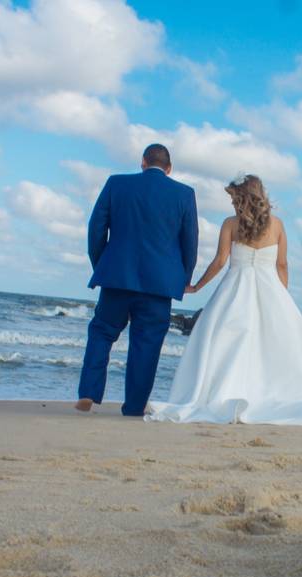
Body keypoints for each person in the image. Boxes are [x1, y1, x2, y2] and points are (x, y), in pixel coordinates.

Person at [146, 174, 302, 425]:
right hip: (271, 289)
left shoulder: (230, 224)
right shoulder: (278, 225)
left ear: (242, 197)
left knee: (224, 341)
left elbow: (219, 261)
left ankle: (223, 392)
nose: (231, 203)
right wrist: (283, 298)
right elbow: (282, 265)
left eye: (234, 197)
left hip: (235, 290)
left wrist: (197, 286)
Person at [75, 144, 198, 417]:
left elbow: (96, 229)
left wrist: (103, 266)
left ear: (143, 162)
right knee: (147, 344)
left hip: (117, 277)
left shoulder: (116, 184)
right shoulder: (184, 194)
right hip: (159, 285)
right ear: (169, 168)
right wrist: (183, 279)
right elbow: (189, 242)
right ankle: (133, 407)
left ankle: (89, 392)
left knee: (102, 332)